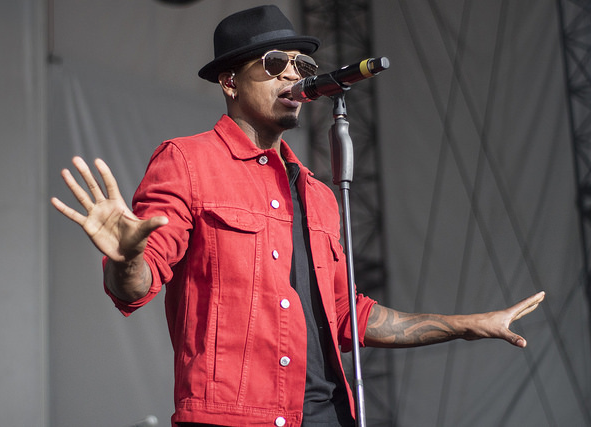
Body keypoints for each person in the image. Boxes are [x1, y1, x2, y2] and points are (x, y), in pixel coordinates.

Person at [51, 5, 545, 427]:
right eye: (274, 63)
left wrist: (469, 324)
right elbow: (136, 286)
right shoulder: (187, 161)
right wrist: (126, 258)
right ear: (230, 81)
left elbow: (348, 316)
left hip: (328, 415)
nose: (293, 75)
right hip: (235, 417)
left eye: (302, 64)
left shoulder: (319, 195)